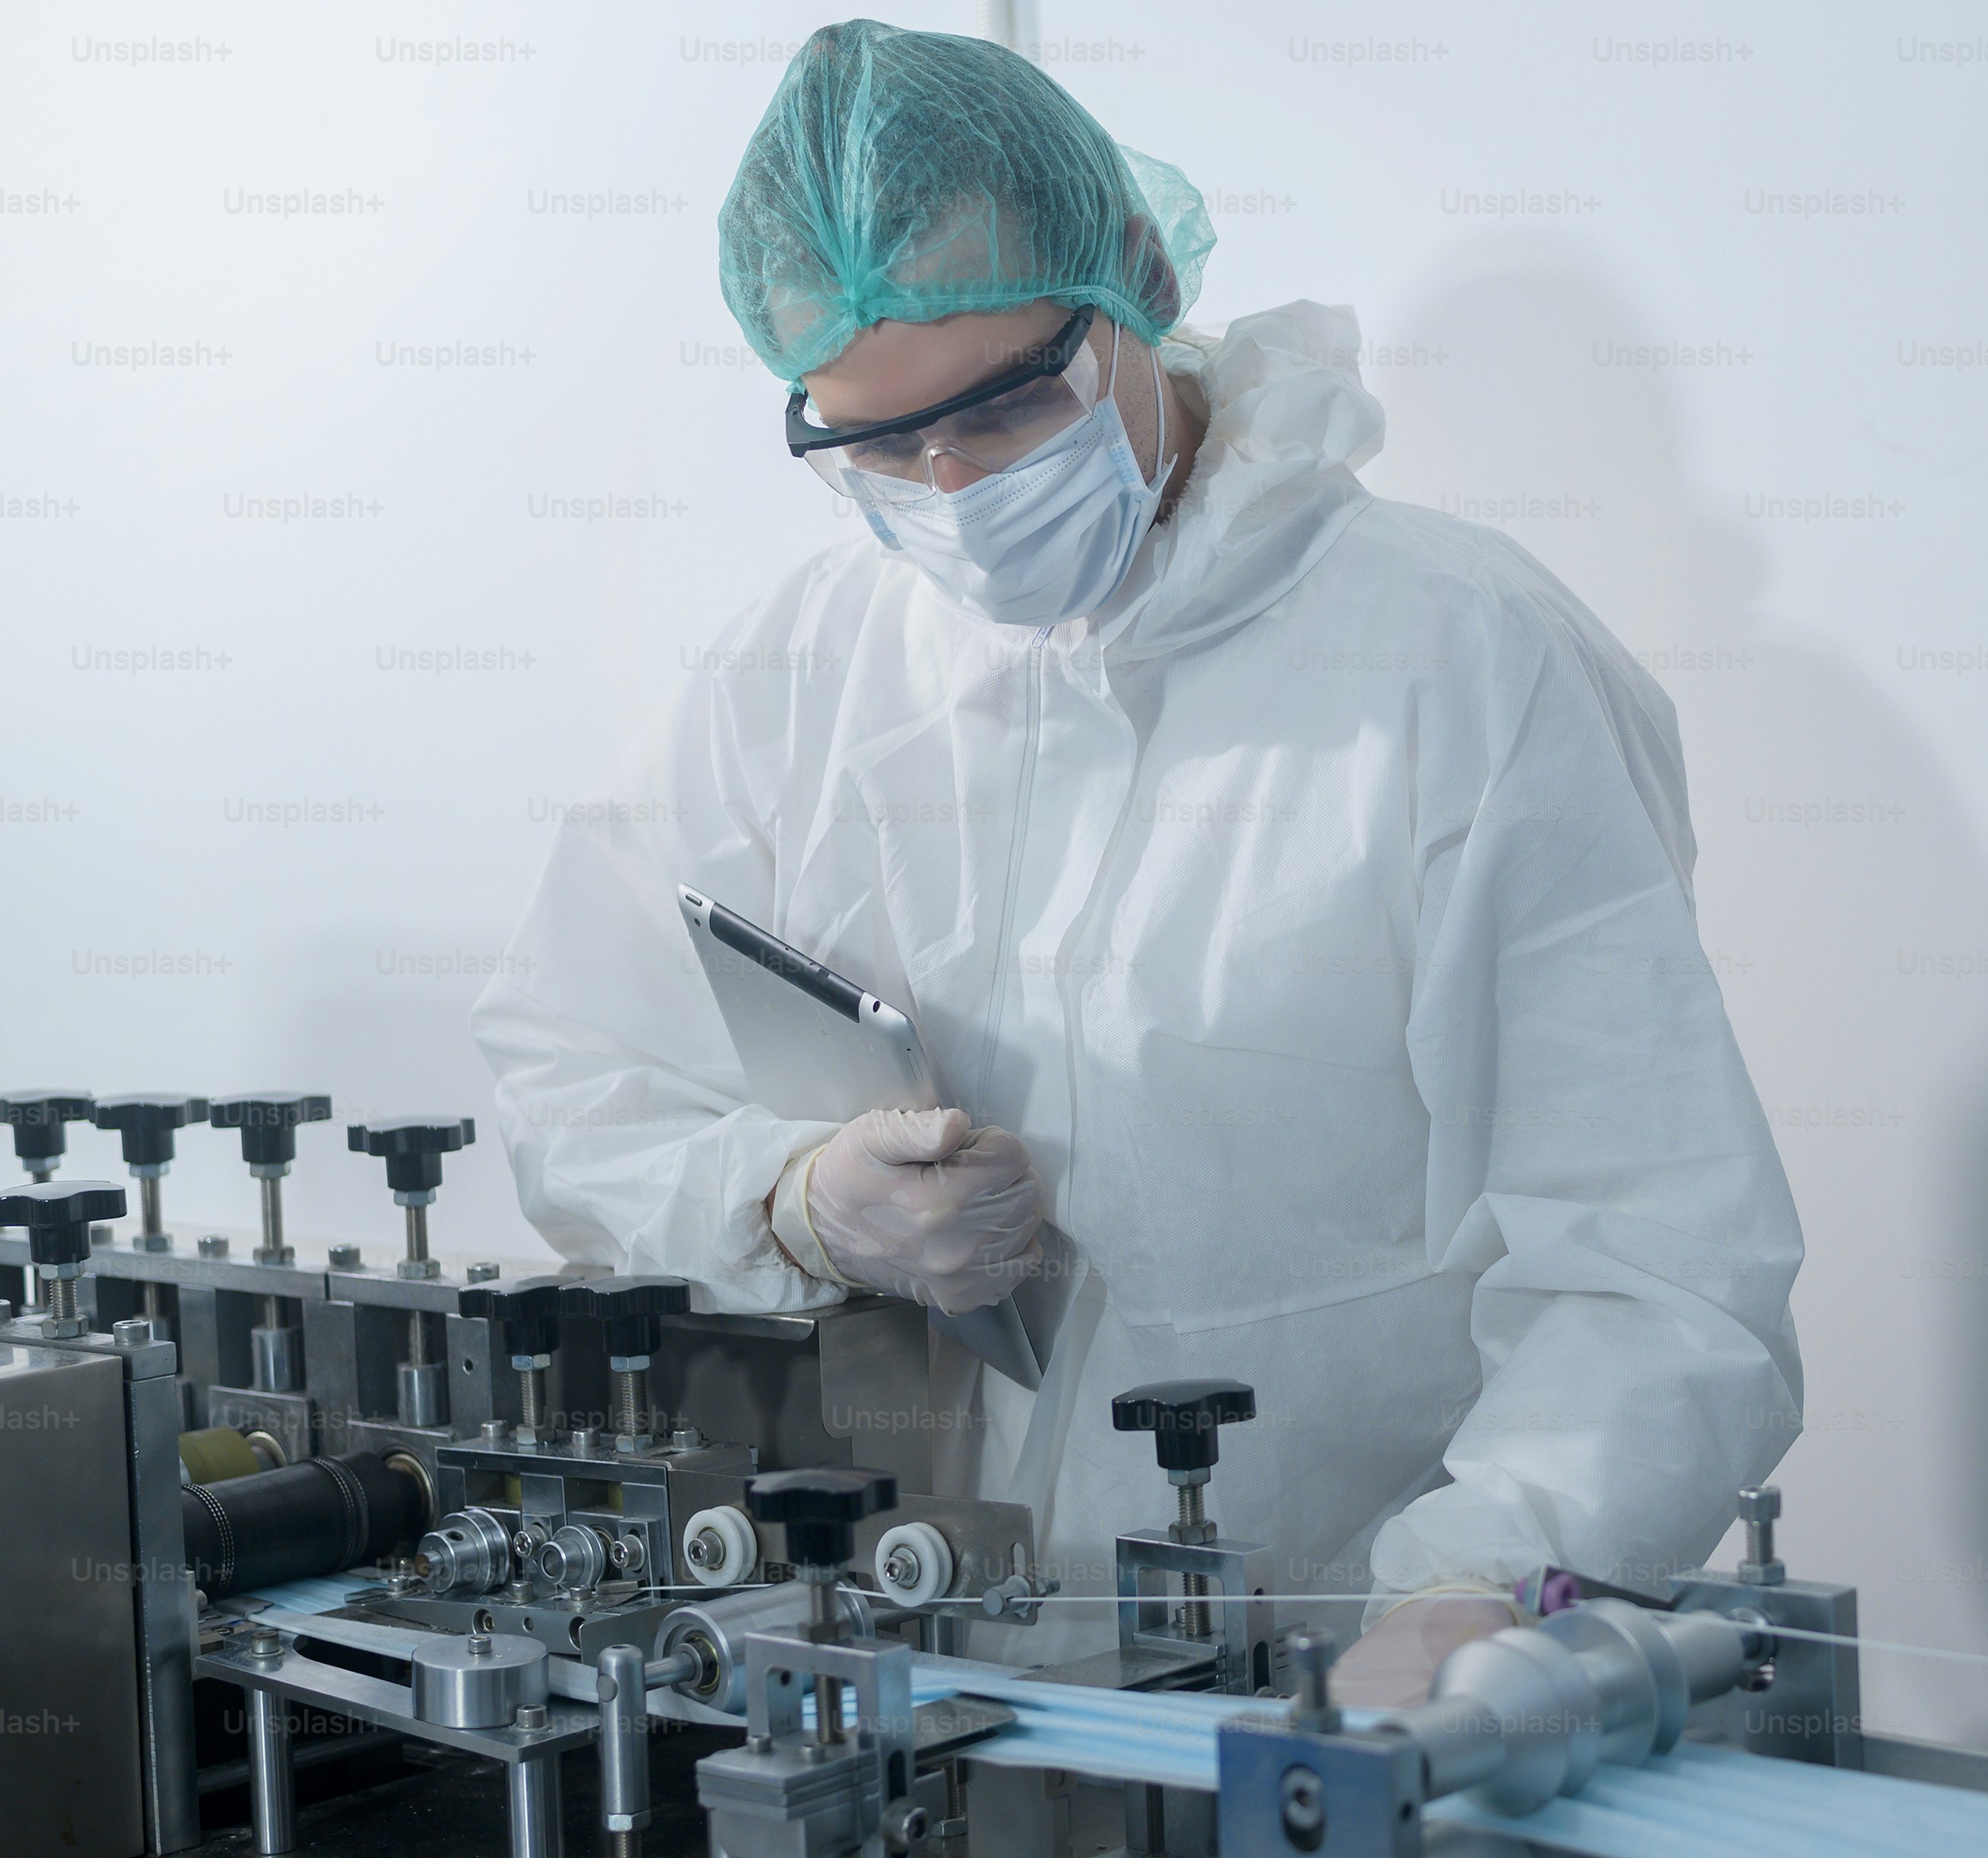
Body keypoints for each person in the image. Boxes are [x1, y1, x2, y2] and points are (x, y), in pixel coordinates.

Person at [470, 19, 1802, 1704]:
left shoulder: (1460, 663)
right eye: (878, 447)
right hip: (926, 1687)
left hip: (1352, 1675)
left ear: (1140, 283)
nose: (954, 487)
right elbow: (569, 1064)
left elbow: (1652, 1252)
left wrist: (1476, 1592)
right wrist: (789, 1200)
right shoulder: (802, 672)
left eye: (1007, 405)